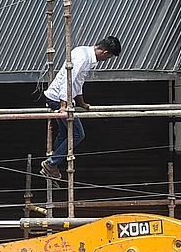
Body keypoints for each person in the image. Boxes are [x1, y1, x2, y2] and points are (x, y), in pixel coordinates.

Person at [40, 37, 122, 179]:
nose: (106, 60)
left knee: (64, 133)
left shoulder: (85, 55)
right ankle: (51, 164)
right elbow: (68, 79)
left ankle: (52, 164)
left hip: (59, 98)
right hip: (57, 99)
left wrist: (82, 103)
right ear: (105, 52)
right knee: (78, 134)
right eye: (108, 57)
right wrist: (64, 105)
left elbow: (78, 82)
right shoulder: (82, 57)